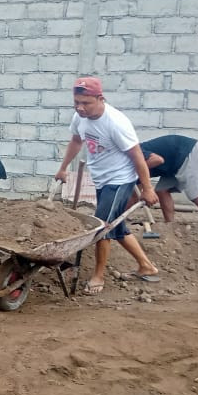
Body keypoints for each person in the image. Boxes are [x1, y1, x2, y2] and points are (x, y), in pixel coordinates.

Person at [54, 77, 160, 295]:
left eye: (85, 103)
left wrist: (148, 188)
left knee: (102, 227)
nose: (80, 107)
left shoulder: (116, 123)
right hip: (101, 179)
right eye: (76, 102)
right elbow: (76, 141)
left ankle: (98, 276)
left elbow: (137, 156)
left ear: (100, 98)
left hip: (119, 180)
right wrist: (63, 168)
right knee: (116, 226)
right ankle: (146, 266)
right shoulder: (80, 117)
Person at [136, 135, 198, 231]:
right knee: (162, 190)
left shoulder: (135, 153)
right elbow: (134, 194)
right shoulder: (130, 170)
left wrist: (139, 171)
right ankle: (170, 225)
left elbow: (158, 160)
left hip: (187, 151)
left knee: (196, 195)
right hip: (173, 163)